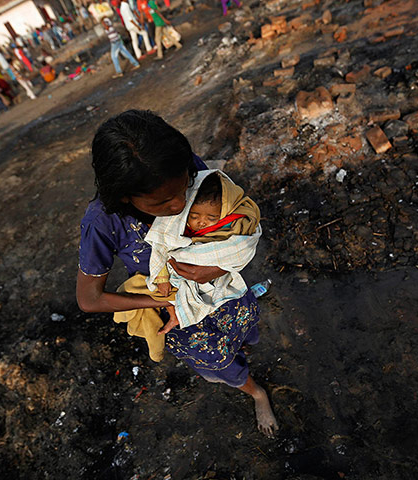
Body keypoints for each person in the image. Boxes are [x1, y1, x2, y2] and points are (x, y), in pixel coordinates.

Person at [76, 110, 279, 437]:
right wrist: (159, 299)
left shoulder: (178, 166)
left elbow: (236, 214)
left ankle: (242, 348)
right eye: (164, 203)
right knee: (218, 359)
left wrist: (214, 267)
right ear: (126, 196)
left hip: (220, 288)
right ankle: (256, 392)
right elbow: (89, 299)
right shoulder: (103, 221)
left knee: (243, 326)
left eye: (185, 187)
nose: (181, 203)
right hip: (177, 312)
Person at [114, 169, 261, 361]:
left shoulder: (234, 223)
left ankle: (248, 343)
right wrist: (162, 276)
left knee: (242, 327)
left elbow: (240, 248)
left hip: (221, 287)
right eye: (194, 216)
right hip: (179, 283)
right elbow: (162, 246)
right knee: (215, 354)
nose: (201, 222)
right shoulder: (176, 221)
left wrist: (218, 267)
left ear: (224, 214)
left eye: (211, 219)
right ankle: (237, 373)